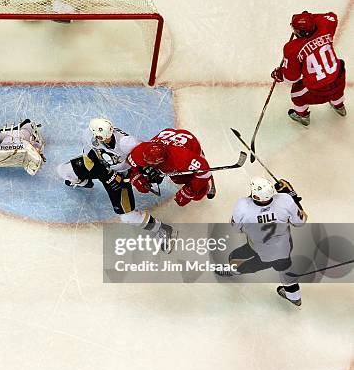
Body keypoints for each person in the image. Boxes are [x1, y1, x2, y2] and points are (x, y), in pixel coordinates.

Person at [57, 118, 175, 251]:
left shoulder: (127, 143)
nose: (106, 139)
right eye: (102, 137)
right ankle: (83, 181)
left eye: (108, 135)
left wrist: (140, 174)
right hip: (102, 168)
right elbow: (88, 160)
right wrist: (108, 175)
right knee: (62, 170)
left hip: (123, 175)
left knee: (128, 217)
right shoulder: (88, 134)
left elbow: (146, 155)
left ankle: (162, 229)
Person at [218, 177, 308, 307]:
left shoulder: (242, 206)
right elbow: (300, 222)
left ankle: (236, 270)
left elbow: (236, 228)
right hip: (284, 247)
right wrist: (292, 195)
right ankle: (294, 297)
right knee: (284, 267)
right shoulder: (285, 200)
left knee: (234, 258)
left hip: (260, 250)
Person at [271, 11, 347, 126]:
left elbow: (291, 78)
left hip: (318, 90)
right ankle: (339, 106)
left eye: (295, 29)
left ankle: (303, 116)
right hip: (338, 79)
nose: (294, 31)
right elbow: (332, 16)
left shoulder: (291, 48)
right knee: (336, 89)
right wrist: (310, 17)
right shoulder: (325, 26)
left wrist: (280, 74)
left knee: (296, 95)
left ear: (302, 32)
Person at [126, 128, 214, 207]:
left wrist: (189, 191)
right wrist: (136, 176)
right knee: (148, 170)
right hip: (169, 136)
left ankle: (201, 160)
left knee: (196, 192)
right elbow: (130, 164)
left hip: (191, 144)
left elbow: (205, 171)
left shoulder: (180, 158)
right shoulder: (141, 150)